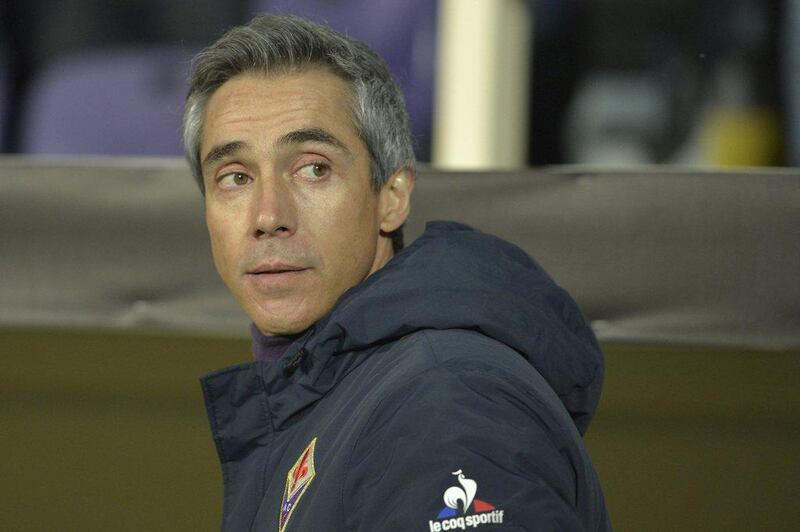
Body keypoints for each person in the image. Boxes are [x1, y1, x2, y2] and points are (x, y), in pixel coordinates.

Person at [182, 14, 611, 532]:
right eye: (235, 177)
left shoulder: (443, 400)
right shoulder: (340, 392)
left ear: (392, 197)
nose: (268, 215)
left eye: (314, 168)